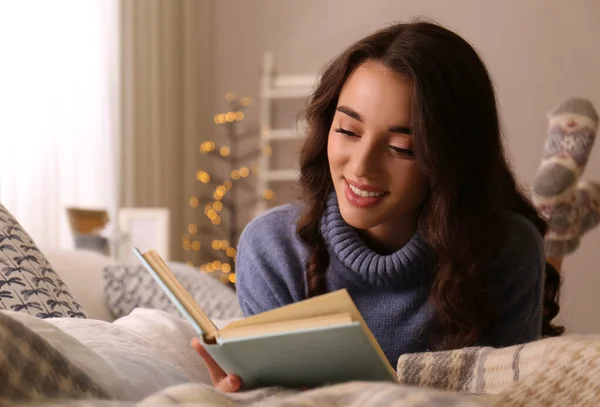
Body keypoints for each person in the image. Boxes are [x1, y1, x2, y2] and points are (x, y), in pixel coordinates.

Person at [191, 19, 564, 392]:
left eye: (402, 148)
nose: (361, 167)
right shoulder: (271, 248)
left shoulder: (508, 250)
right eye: (348, 131)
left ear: (451, 160)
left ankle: (560, 210)